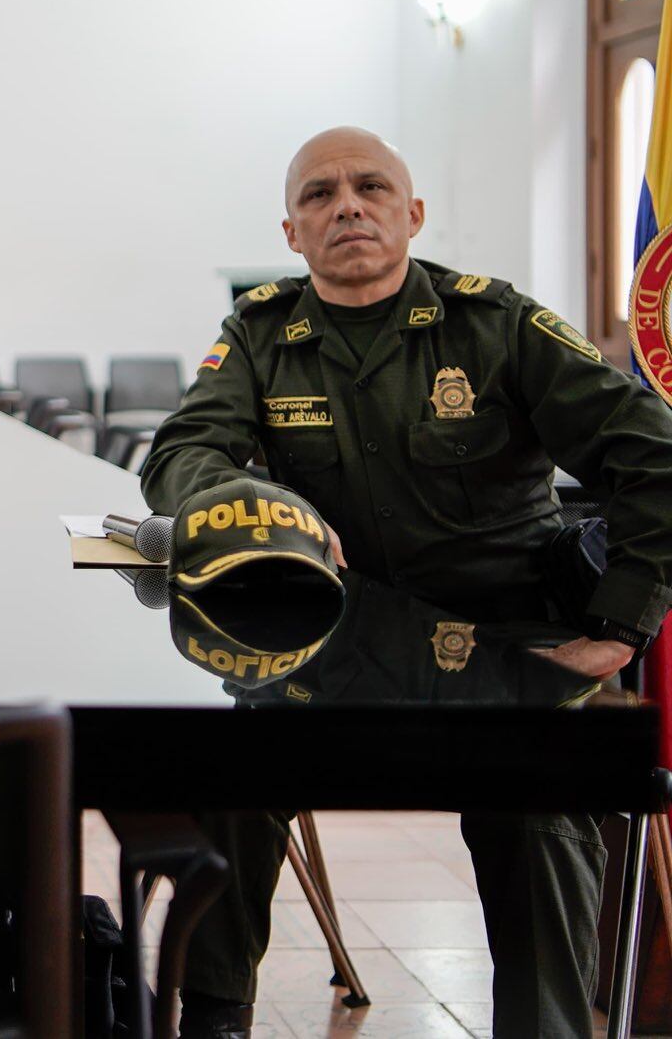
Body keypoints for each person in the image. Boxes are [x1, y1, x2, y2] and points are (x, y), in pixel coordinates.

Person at [141, 126, 672, 1039]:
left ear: (412, 213)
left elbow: (655, 455)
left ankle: (547, 1028)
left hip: (507, 652)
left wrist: (623, 624)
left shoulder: (495, 324)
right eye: (319, 195)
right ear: (292, 233)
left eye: (371, 187)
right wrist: (258, 501)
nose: (347, 205)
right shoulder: (263, 334)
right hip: (331, 647)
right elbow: (182, 452)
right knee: (232, 772)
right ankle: (212, 1019)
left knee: (537, 818)